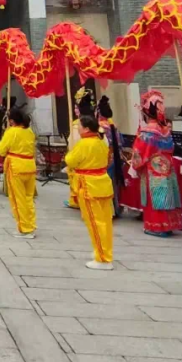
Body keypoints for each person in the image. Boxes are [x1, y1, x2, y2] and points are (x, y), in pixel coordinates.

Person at [130, 90, 182, 237]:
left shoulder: (147, 131)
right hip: (167, 166)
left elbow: (139, 153)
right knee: (167, 195)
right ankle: (169, 225)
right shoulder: (165, 129)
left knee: (155, 196)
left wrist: (136, 163)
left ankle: (157, 227)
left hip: (152, 168)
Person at [65, 115, 114, 270]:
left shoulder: (84, 143)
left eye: (79, 126)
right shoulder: (101, 141)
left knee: (95, 222)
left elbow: (70, 161)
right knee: (105, 222)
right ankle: (104, 251)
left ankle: (103, 258)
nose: (78, 128)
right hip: (103, 182)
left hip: (89, 185)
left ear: (86, 128)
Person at [0, 107, 37, 237]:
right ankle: (30, 224)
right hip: (30, 165)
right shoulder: (29, 131)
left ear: (12, 120)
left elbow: (1, 150)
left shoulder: (12, 132)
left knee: (17, 199)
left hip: (16, 166)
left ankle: (24, 228)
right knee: (28, 198)